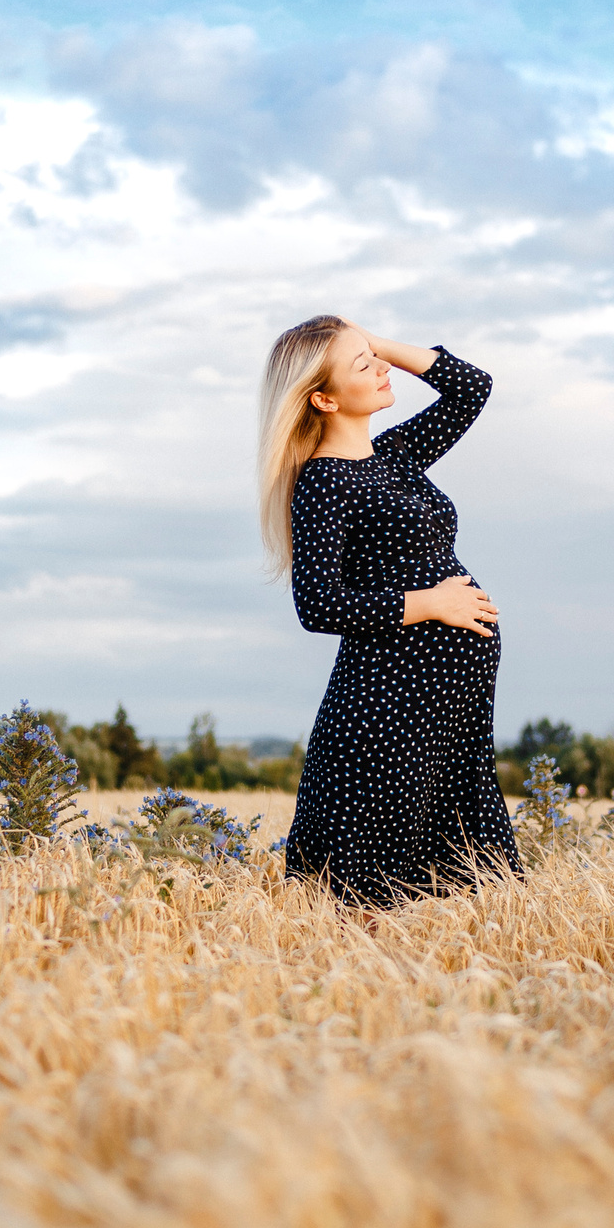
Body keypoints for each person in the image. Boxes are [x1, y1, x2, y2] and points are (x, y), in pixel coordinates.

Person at [258, 316, 520, 905]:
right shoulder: (324, 482)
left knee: (468, 894)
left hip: (450, 707)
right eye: (363, 365)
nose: (380, 368)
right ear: (323, 399)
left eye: (374, 356)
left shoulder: (393, 456)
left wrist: (368, 342)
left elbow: (471, 387)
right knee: (377, 894)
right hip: (390, 707)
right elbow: (317, 604)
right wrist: (432, 603)